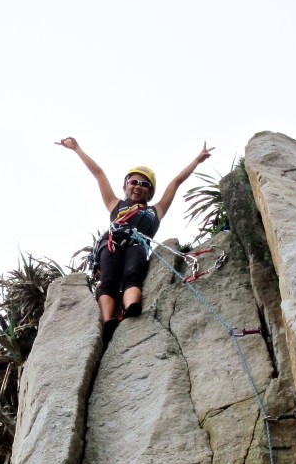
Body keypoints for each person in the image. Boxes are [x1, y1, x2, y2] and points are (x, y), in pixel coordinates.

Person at [55, 136, 214, 343]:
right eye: (133, 182)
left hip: (137, 244)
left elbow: (175, 183)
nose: (138, 186)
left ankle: (131, 307)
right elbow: (98, 173)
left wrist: (196, 160)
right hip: (111, 243)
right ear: (125, 186)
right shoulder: (115, 203)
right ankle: (107, 320)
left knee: (133, 274)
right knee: (109, 281)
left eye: (144, 184)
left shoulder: (156, 210)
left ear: (150, 191)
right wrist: (77, 149)